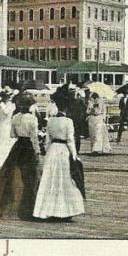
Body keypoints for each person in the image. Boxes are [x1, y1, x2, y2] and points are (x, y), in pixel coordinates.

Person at [0, 94, 41, 220]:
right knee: (30, 175)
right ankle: (30, 207)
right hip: (28, 147)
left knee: (12, 175)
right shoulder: (32, 119)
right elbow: (34, 138)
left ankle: (9, 204)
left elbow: (12, 134)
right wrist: (37, 152)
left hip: (18, 146)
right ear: (30, 105)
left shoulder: (15, 117)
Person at [33, 90, 85, 221]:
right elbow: (70, 140)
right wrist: (74, 156)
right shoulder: (68, 121)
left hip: (52, 151)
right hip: (63, 150)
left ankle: (48, 210)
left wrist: (47, 151)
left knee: (50, 180)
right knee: (64, 180)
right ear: (67, 107)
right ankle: (64, 211)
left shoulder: (50, 121)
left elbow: (47, 141)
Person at [0, 88, 16, 170]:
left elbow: (7, 112)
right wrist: (0, 105)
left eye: (9, 96)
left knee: (6, 144)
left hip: (8, 124)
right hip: (1, 124)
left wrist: (3, 105)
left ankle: (4, 163)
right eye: (8, 96)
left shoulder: (12, 105)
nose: (9, 98)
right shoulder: (1, 104)